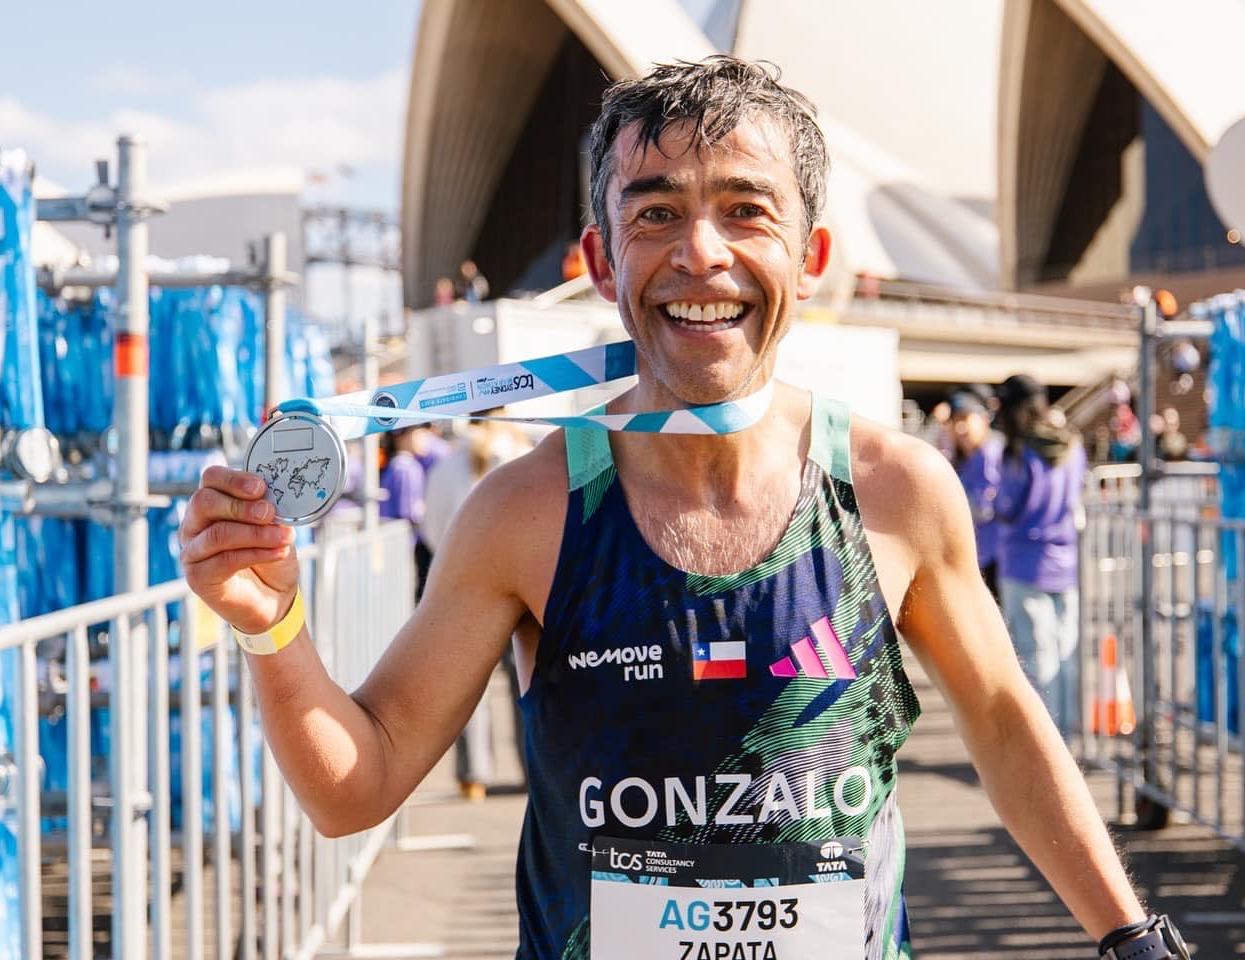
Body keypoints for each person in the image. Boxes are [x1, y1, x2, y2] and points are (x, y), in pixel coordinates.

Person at [180, 57, 1185, 960]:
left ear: (812, 255)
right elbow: (357, 786)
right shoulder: (528, 510)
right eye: (655, 213)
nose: (701, 252)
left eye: (746, 210)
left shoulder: (894, 489)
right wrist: (274, 627)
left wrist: (1132, 940)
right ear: (603, 261)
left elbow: (1006, 723)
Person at [422, 415, 533, 801]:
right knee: (528, 684)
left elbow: (431, 528)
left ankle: (473, 776)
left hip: (464, 585)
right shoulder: (525, 454)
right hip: (526, 586)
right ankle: (532, 769)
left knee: (468, 691)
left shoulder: (445, 465)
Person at [992, 373, 1089, 738]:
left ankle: (1044, 742)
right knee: (1066, 656)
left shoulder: (1019, 451)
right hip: (1065, 559)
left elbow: (1007, 504)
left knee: (1036, 657)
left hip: (1025, 560)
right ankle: (1066, 734)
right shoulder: (1072, 445)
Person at [947, 388, 1002, 598]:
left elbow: (984, 508)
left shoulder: (991, 453)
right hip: (975, 556)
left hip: (994, 557)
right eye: (954, 421)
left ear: (983, 419)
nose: (960, 428)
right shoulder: (964, 458)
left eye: (965, 418)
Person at [378, 423, 438, 601]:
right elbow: (410, 513)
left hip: (394, 543)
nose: (425, 436)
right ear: (401, 436)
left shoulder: (399, 464)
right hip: (404, 545)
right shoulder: (405, 467)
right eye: (418, 431)